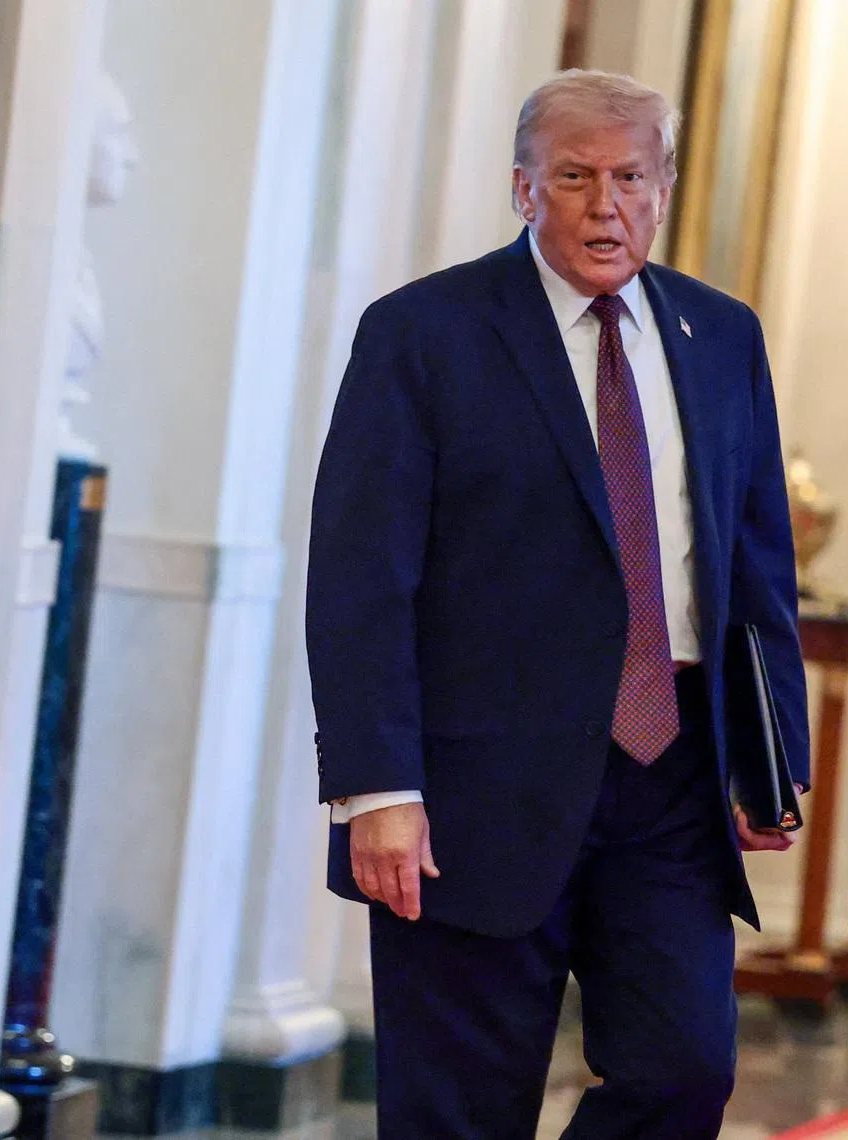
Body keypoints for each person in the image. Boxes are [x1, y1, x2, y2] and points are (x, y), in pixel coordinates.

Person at [306, 69, 809, 1140]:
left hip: (666, 777)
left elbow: (757, 563)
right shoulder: (424, 334)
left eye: (630, 176)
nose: (605, 203)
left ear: (663, 187)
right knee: (459, 1113)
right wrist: (375, 786)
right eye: (575, 176)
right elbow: (361, 578)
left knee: (683, 1072)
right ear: (525, 190)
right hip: (472, 789)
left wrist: (774, 756)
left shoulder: (721, 339)